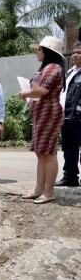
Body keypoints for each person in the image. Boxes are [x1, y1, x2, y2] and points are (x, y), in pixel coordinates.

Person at [19, 36, 65, 204]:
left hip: (49, 113)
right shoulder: (48, 68)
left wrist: (25, 93)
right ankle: (40, 188)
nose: (37, 53)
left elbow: (43, 90)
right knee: (41, 153)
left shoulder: (53, 68)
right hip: (41, 114)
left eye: (39, 50)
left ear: (48, 52)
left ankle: (49, 191)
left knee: (49, 153)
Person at [55, 41, 81, 187]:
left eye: (79, 52)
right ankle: (70, 177)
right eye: (74, 52)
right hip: (67, 118)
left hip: (79, 118)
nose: (75, 55)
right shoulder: (70, 72)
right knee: (69, 149)